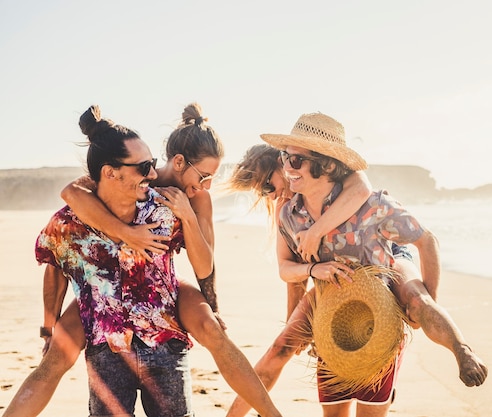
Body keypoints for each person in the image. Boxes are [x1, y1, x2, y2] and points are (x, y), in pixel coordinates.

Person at [2, 104, 283, 417]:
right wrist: (47, 328)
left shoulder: (177, 205)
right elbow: (60, 249)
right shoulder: (84, 206)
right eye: (204, 176)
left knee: (212, 329)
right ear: (178, 161)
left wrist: (212, 303)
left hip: (159, 295)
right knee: (53, 360)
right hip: (101, 299)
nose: (151, 172)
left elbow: (206, 264)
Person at [224, 137, 486, 417]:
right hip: (336, 277)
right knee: (280, 348)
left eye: (268, 185)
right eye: (262, 192)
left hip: (384, 253)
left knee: (414, 298)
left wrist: (420, 312)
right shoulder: (288, 213)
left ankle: (460, 349)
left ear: (285, 162)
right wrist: (301, 328)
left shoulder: (352, 186)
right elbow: (293, 275)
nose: (270, 194)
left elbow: (366, 192)